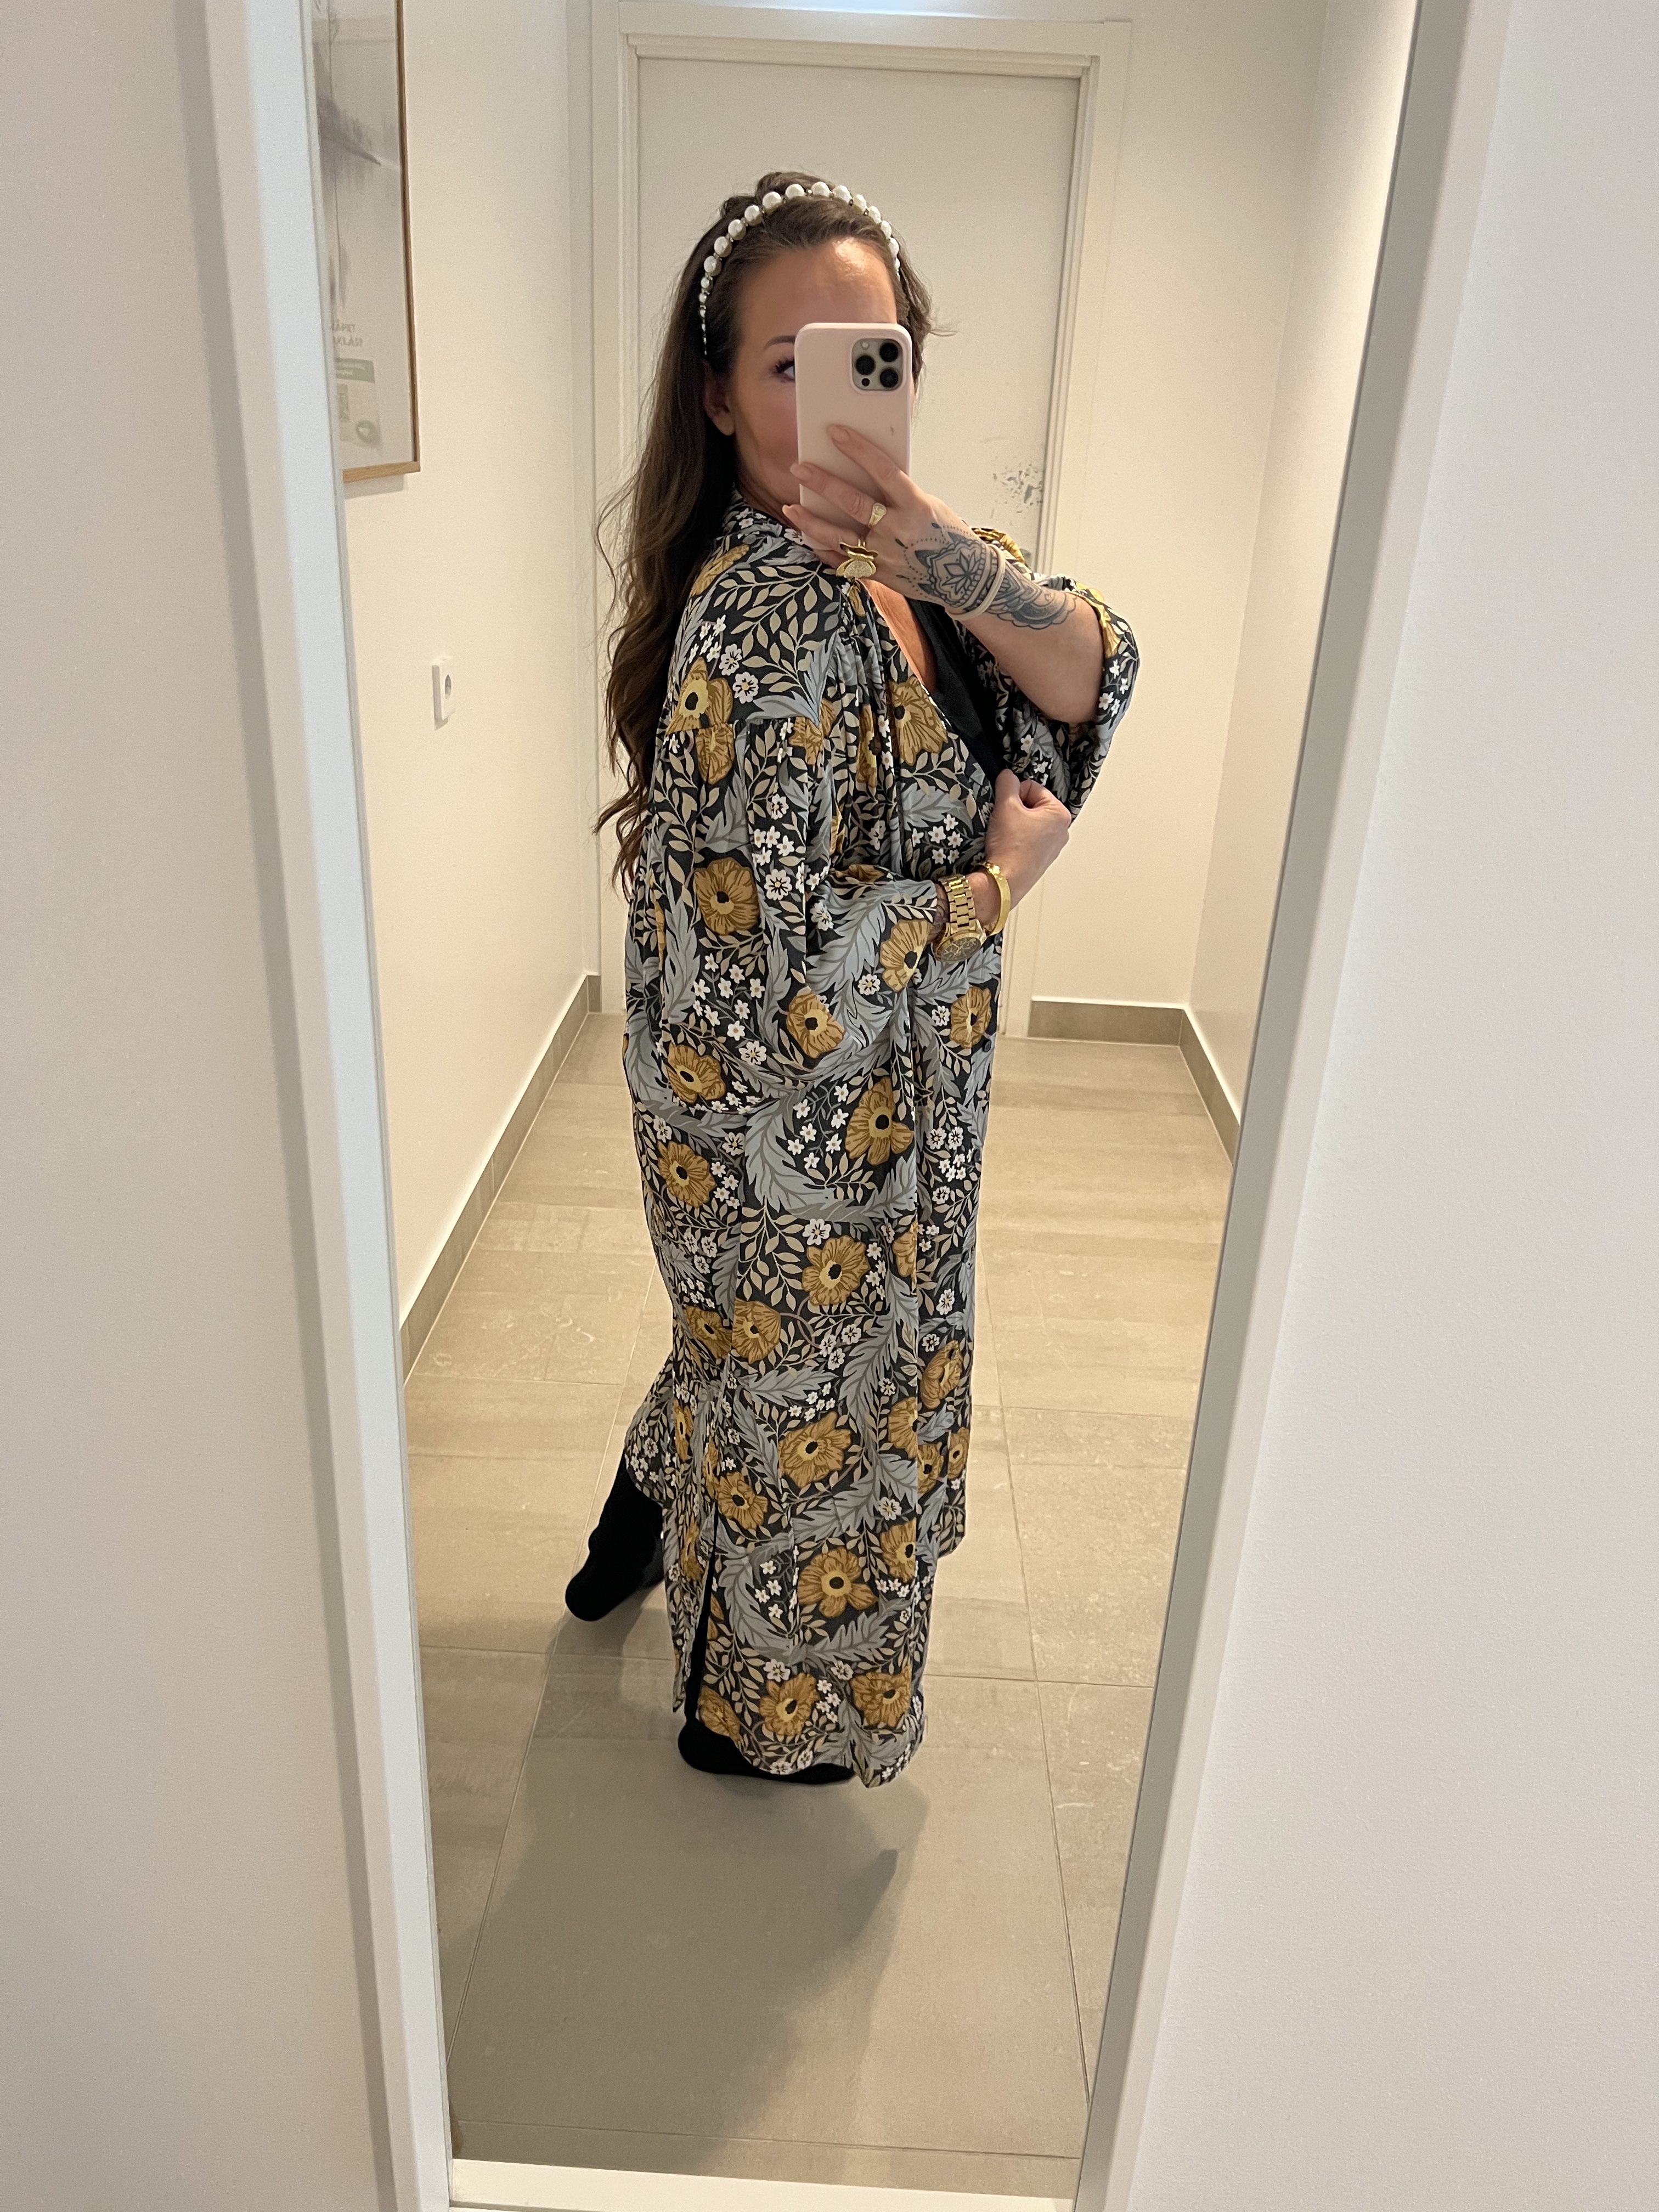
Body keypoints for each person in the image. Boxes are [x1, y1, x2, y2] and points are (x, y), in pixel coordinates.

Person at [566, 172, 1138, 1785]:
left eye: (874, 355)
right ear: (721, 397)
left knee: (766, 1368)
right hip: (783, 1123)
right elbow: (776, 999)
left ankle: (639, 1515)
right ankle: (746, 1720)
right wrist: (995, 889)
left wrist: (949, 558)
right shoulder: (757, 631)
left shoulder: (926, 569)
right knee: (812, 1409)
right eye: (791, 363)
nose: (840, 397)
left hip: (888, 1092)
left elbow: (1089, 668)